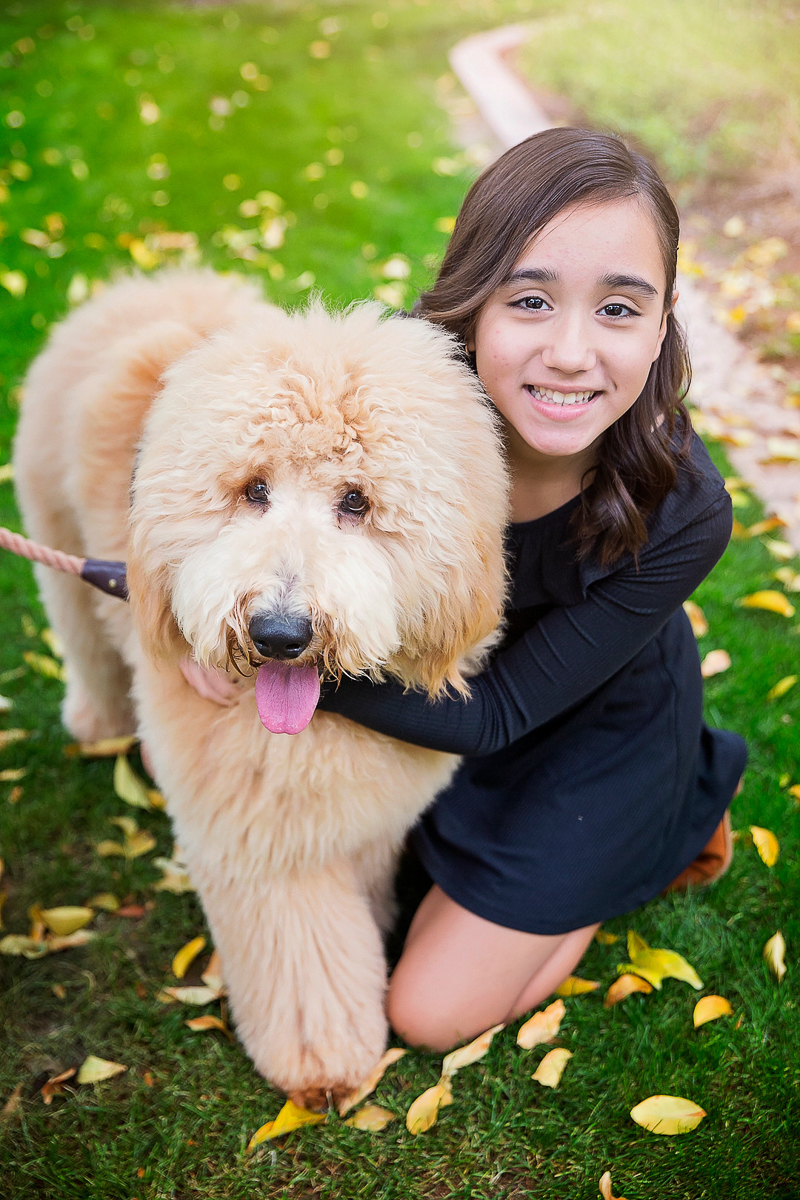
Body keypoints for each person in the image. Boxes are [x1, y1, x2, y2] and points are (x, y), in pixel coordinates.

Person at [185, 128, 747, 1053]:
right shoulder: (394, 395)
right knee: (381, 893)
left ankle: (654, 831)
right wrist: (205, 598)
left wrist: (288, 660)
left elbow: (497, 714)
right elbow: (219, 456)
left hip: (580, 726)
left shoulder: (687, 507)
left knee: (426, 1014)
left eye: (619, 309)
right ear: (473, 299)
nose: (571, 352)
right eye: (531, 299)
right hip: (431, 675)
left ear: (662, 324)